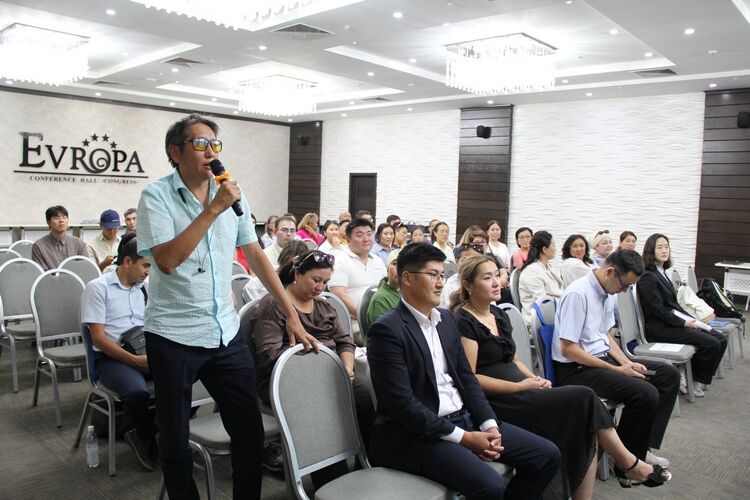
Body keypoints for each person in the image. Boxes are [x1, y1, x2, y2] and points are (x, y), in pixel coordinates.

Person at [136, 113, 317, 500]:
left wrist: (290, 313)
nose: (211, 152)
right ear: (175, 152)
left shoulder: (232, 192)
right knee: (175, 439)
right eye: (200, 144)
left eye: (215, 145)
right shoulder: (156, 196)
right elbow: (167, 260)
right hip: (173, 334)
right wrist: (213, 209)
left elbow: (256, 255)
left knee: (249, 431)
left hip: (224, 330)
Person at [453, 255, 671, 497]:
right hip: (502, 401)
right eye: (487, 278)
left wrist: (534, 379)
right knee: (585, 398)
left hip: (525, 390)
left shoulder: (497, 314)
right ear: (468, 285)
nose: (497, 282)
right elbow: (471, 378)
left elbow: (513, 359)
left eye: (497, 275)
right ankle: (628, 463)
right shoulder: (464, 321)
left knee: (586, 428)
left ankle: (619, 469)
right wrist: (522, 386)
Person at [367, 243, 561, 500]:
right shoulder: (387, 330)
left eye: (442, 275)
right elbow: (402, 405)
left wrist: (489, 424)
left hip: (464, 419)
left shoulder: (445, 319)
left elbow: (467, 379)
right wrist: (465, 438)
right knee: (489, 485)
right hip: (416, 435)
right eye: (432, 275)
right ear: (407, 278)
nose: (440, 283)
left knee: (546, 455)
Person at [249, 250, 374, 485]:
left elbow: (344, 341)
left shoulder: (324, 306)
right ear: (297, 274)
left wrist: (347, 368)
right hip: (285, 379)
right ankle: (330, 479)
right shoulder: (274, 305)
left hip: (326, 374)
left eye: (325, 282)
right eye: (316, 280)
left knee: (365, 396)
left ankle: (365, 462)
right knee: (323, 408)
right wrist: (317, 361)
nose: (320, 287)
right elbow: (269, 355)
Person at [552, 250, 680, 479]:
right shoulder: (578, 294)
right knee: (645, 393)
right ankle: (626, 464)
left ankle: (641, 446)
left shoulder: (607, 292)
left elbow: (605, 335)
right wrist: (617, 369)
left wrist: (627, 362)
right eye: (624, 285)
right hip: (576, 369)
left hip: (600, 360)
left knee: (668, 375)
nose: (624, 291)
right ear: (610, 272)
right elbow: (569, 349)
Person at [80, 234, 157, 470]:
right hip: (111, 358)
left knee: (188, 377)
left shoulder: (145, 289)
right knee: (137, 392)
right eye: (145, 265)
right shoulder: (98, 288)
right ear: (127, 262)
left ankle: (161, 431)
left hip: (143, 351)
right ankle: (144, 437)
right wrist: (134, 360)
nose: (148, 272)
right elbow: (98, 339)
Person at [637, 234, 728, 397]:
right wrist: (684, 323)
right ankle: (692, 380)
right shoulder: (647, 277)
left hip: (672, 322)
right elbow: (658, 311)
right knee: (711, 343)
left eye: (666, 246)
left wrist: (692, 319)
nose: (664, 250)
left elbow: (673, 306)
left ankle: (694, 375)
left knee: (720, 338)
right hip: (660, 328)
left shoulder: (661, 272)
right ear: (650, 251)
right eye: (659, 247)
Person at [329, 218, 387, 326]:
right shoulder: (340, 261)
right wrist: (364, 317)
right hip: (354, 321)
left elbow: (386, 288)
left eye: (369, 234)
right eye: (360, 235)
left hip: (380, 318)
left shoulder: (378, 260)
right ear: (348, 239)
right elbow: (339, 294)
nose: (366, 239)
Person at [517, 231, 564, 323]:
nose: (555, 248)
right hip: (539, 318)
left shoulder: (549, 267)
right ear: (544, 249)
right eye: (553, 245)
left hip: (555, 311)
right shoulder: (531, 271)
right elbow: (542, 300)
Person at [31, 205, 88, 271]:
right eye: (56, 218)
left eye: (64, 217)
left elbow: (84, 269)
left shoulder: (79, 244)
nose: (61, 220)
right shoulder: (39, 246)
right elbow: (41, 272)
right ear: (48, 222)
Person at [364, 249, 400, 334]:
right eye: (395, 264)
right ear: (387, 269)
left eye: (404, 264)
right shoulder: (380, 300)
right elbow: (385, 335)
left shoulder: (411, 294)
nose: (399, 268)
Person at [440, 242, 484, 308]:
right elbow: (451, 309)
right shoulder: (452, 283)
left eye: (474, 260)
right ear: (457, 261)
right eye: (465, 259)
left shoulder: (484, 280)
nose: (469, 263)